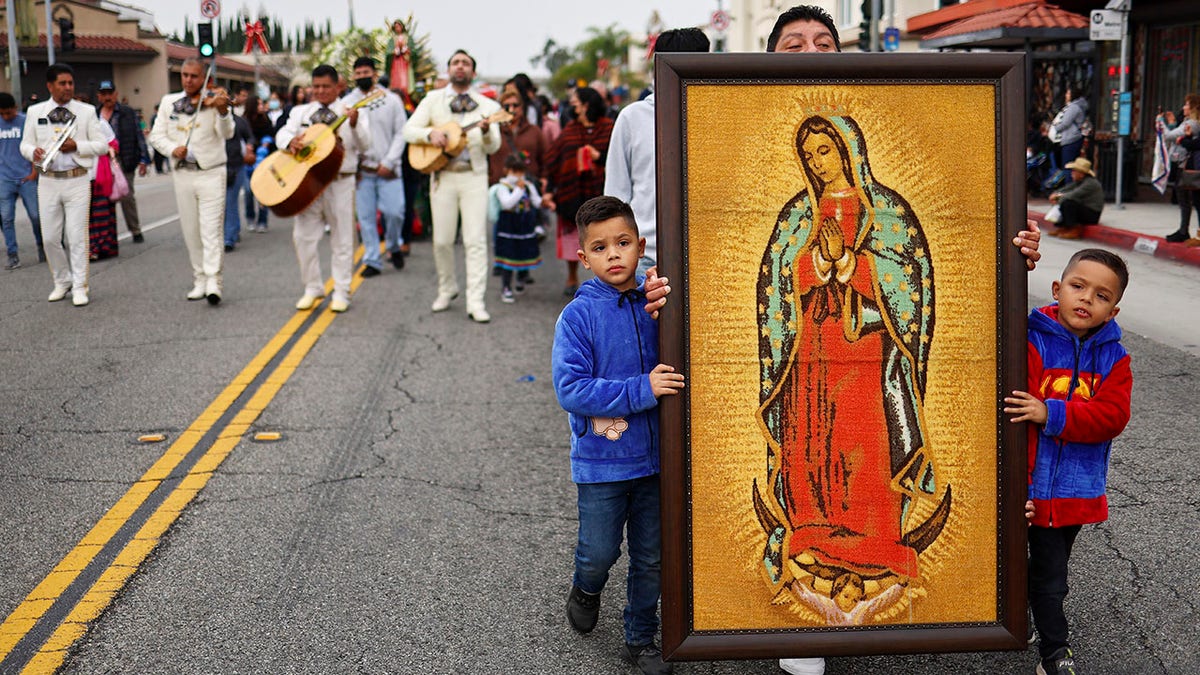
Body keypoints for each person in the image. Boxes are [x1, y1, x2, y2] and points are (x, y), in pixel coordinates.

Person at [552, 196, 685, 675]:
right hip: (603, 463)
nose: (614, 255)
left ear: (640, 246)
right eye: (601, 247)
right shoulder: (578, 317)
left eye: (623, 243)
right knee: (600, 550)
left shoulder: (659, 306)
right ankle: (587, 587)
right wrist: (641, 389)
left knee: (651, 557)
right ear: (583, 257)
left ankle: (640, 638)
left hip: (656, 460)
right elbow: (571, 388)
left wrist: (664, 308)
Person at [1003, 248, 1132, 675]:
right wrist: (1014, 485)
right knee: (1022, 565)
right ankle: (1054, 652)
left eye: (1101, 295)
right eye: (1078, 287)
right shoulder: (1029, 339)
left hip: (1073, 491)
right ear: (1057, 289)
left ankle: (1037, 633)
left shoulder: (1115, 359)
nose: (1086, 299)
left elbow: (1112, 417)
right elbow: (1006, 411)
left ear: (1113, 309)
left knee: (1050, 574)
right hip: (1026, 484)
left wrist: (1051, 412)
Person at [402, 49, 502, 323]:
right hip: (442, 176)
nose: (460, 67)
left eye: (465, 63)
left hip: (473, 177)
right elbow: (408, 130)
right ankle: (447, 289)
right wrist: (429, 133)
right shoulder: (433, 99)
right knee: (442, 240)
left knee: (475, 241)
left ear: (473, 71)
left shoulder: (488, 106)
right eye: (456, 62)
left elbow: (495, 145)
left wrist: (484, 131)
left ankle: (476, 300)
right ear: (449, 69)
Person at [604, 28, 709, 275]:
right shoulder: (632, 117)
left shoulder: (721, 117)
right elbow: (616, 195)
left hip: (709, 256)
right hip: (646, 257)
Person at [276, 64, 369, 314]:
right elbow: (281, 133)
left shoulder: (352, 110)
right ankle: (312, 287)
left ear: (338, 86)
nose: (320, 91)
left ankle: (341, 291)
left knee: (342, 238)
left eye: (326, 86)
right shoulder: (300, 111)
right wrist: (289, 141)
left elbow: (366, 145)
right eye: (316, 86)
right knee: (303, 237)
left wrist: (355, 124)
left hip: (341, 181)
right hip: (309, 182)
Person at [20, 63, 109, 306]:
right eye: (62, 83)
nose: (68, 87)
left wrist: (77, 146)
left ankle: (80, 286)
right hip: (48, 181)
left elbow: (102, 145)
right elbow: (24, 145)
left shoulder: (87, 111)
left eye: (70, 83)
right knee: (49, 237)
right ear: (50, 86)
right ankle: (62, 281)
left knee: (76, 236)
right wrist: (33, 152)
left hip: (77, 180)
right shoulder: (35, 111)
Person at [149, 57, 234, 305]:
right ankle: (198, 278)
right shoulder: (168, 102)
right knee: (191, 230)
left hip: (211, 172)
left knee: (211, 230)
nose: (188, 80)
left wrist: (222, 110)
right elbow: (157, 136)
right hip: (183, 173)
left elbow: (227, 133)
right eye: (185, 75)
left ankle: (213, 281)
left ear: (204, 77)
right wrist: (172, 149)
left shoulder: (214, 100)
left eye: (194, 76)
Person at [544, 86, 613, 296]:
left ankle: (605, 279)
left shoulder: (609, 127)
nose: (572, 104)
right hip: (572, 192)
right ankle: (572, 276)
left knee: (604, 236)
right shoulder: (571, 129)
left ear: (587, 104)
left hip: (601, 190)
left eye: (576, 101)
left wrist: (598, 157)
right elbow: (553, 158)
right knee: (572, 236)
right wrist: (548, 187)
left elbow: (618, 155)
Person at [345, 55, 409, 276]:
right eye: (358, 73)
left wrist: (389, 161)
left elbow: (402, 132)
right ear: (353, 75)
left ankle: (393, 245)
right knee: (366, 217)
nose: (362, 77)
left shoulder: (391, 99)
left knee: (395, 213)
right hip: (363, 172)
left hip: (388, 169)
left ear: (374, 73)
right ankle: (372, 259)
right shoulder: (348, 102)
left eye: (366, 73)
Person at [95, 81, 149, 243]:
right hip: (103, 161)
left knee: (126, 195)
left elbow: (138, 136)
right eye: (103, 94)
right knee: (105, 198)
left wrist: (143, 160)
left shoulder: (127, 112)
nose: (107, 97)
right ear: (99, 96)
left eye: (110, 93)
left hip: (124, 159)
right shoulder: (94, 114)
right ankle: (108, 233)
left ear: (116, 94)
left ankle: (135, 230)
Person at [489, 153, 542, 303]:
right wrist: (519, 190)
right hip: (508, 226)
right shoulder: (502, 188)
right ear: (507, 170)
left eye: (521, 172)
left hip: (525, 224)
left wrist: (545, 202)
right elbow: (507, 203)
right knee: (508, 256)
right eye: (515, 172)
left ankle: (521, 279)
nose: (518, 176)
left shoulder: (528, 185)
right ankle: (506, 286)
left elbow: (536, 202)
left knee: (523, 252)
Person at [0, 92, 42, 269]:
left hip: (26, 177)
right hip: (5, 179)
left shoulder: (25, 122)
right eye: (2, 113)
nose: (6, 116)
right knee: (6, 218)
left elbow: (36, 148)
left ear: (15, 108)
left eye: (9, 112)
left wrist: (34, 172)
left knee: (35, 215)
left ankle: (42, 245)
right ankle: (12, 254)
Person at [1158, 94, 1200, 243]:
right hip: (1183, 163)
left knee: (1191, 199)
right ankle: (1183, 230)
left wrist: (1161, 122)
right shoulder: (1187, 123)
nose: (1184, 107)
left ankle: (1186, 231)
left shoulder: (1193, 123)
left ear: (1193, 107)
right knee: (1184, 198)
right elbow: (1176, 136)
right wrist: (1172, 124)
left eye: (1187, 105)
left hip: (1188, 165)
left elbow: (1170, 136)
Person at [1046, 158, 1103, 240]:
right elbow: (1065, 189)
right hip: (1084, 210)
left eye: (1074, 171)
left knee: (1068, 203)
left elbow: (1073, 195)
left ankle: (1075, 229)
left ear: (1081, 173)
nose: (1072, 173)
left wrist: (1057, 197)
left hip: (1092, 214)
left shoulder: (1090, 183)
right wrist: (1055, 194)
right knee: (1065, 203)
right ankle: (1064, 227)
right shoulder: (1079, 182)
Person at [222, 106, 254, 251]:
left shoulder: (239, 121)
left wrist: (249, 148)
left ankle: (229, 238)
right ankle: (232, 231)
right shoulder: (209, 120)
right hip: (215, 168)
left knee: (230, 201)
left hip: (236, 167)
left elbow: (250, 137)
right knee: (220, 204)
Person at [241, 94, 274, 233]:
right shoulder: (243, 122)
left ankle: (262, 220)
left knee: (262, 192)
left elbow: (273, 138)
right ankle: (250, 217)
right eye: (259, 104)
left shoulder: (266, 121)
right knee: (248, 191)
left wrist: (267, 143)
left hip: (263, 161)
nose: (262, 107)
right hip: (248, 161)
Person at [1048, 86, 1088, 180]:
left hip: (1070, 139)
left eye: (1068, 93)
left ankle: (1068, 188)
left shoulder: (1073, 107)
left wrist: (1055, 127)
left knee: (1068, 166)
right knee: (1069, 165)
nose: (1066, 95)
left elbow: (1065, 122)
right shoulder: (1076, 106)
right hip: (1072, 138)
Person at [388, 19, 414, 95]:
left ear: (402, 26)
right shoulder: (392, 39)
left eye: (399, 26)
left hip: (405, 62)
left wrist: (406, 50)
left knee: (405, 81)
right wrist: (395, 51)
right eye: (396, 26)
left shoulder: (408, 38)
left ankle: (406, 91)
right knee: (396, 80)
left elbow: (412, 50)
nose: (397, 28)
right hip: (396, 62)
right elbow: (389, 51)